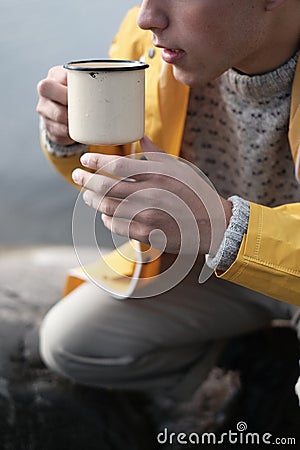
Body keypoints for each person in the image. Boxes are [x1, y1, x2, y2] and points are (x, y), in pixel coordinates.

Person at [36, 0, 300, 404]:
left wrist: (220, 223)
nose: (147, 17)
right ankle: (241, 362)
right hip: (215, 267)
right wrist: (72, 138)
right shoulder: (152, 44)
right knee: (71, 341)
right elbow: (123, 170)